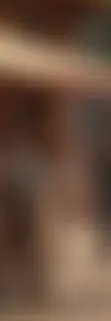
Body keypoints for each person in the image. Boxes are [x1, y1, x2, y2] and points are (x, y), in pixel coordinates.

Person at [0, 129, 48, 305]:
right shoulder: (19, 163)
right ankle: (27, 287)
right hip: (17, 215)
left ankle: (32, 287)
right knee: (22, 253)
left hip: (23, 215)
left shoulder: (21, 163)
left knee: (28, 253)